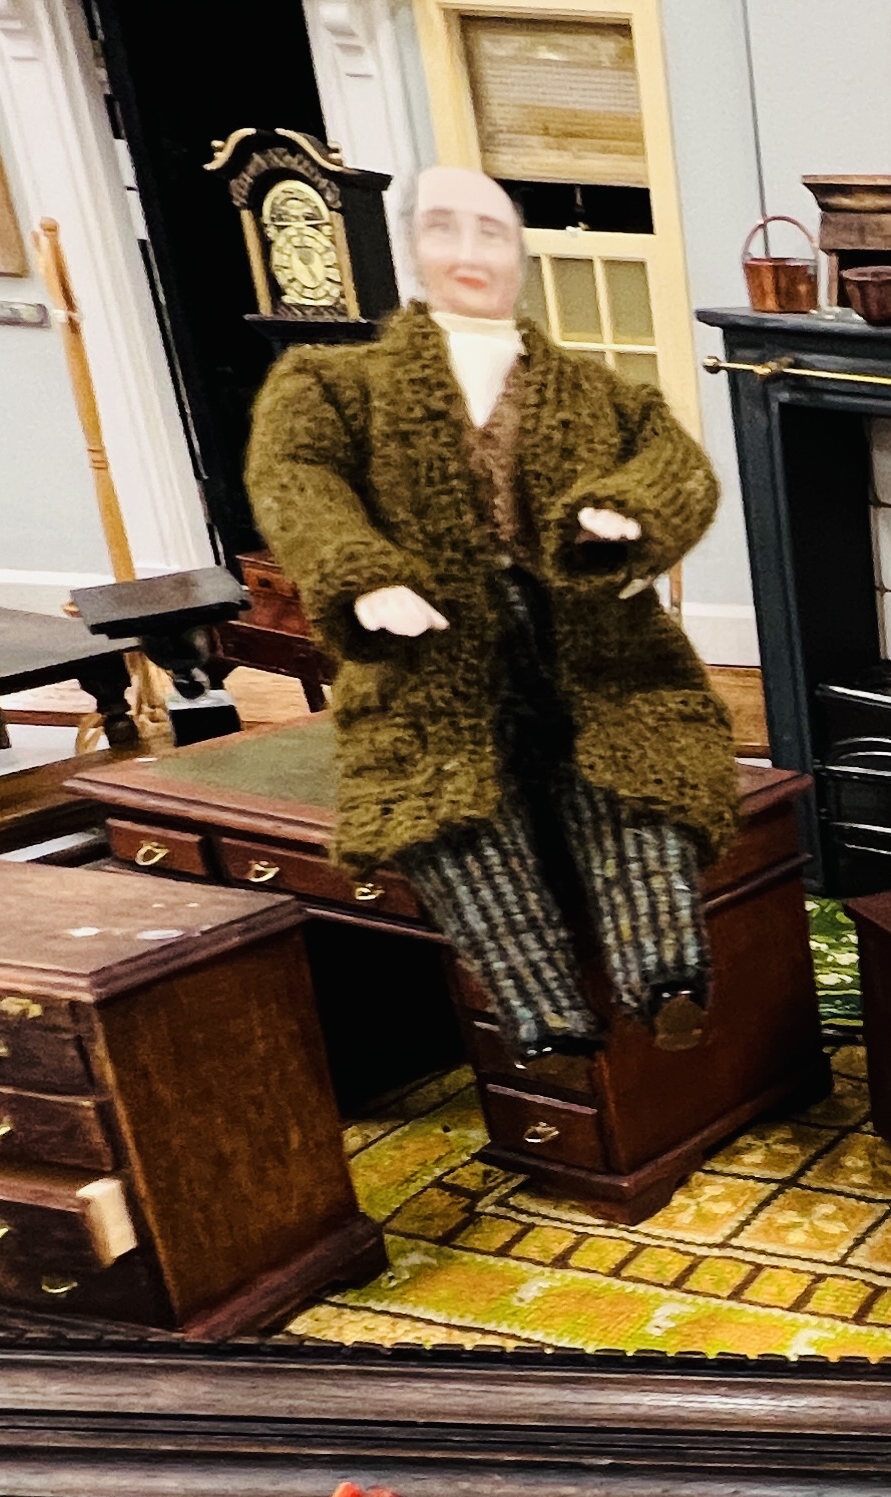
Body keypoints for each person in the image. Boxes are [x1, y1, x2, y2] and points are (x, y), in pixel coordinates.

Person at [245, 164, 742, 1060]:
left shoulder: (603, 394)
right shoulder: (331, 384)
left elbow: (678, 467)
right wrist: (364, 576)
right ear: (412, 249)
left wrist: (627, 516)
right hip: (429, 656)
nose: (469, 252)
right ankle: (542, 1006)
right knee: (449, 812)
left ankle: (665, 977)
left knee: (639, 780)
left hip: (598, 650)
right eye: (445, 228)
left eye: (491, 232)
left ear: (521, 253)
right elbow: (298, 483)